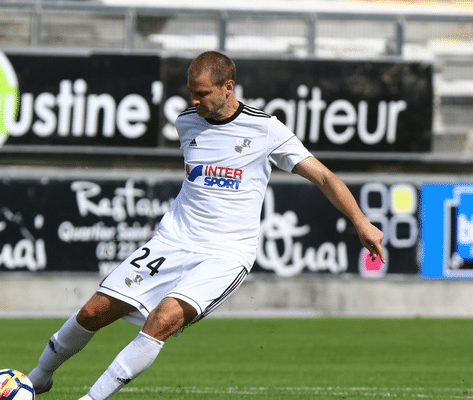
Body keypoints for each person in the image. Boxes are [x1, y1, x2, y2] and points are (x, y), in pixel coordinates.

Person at [26, 51, 385, 399]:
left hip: (226, 254)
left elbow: (323, 177)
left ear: (228, 87)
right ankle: (38, 378)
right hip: (172, 241)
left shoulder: (265, 129)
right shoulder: (187, 122)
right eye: (191, 93)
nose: (194, 100)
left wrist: (361, 222)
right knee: (94, 311)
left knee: (162, 320)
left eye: (202, 93)